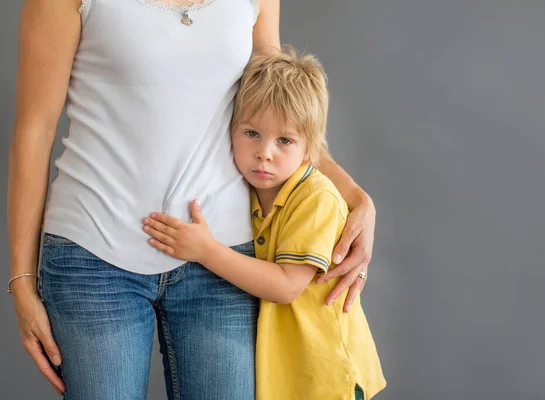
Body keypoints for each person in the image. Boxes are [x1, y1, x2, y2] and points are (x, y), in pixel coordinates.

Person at [7, 0, 377, 399]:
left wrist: (357, 199)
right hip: (94, 253)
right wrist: (22, 279)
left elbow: (280, 110)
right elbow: (35, 129)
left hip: (222, 256)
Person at [142, 48, 386, 400]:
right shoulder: (256, 191)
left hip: (326, 375)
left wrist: (206, 251)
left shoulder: (316, 198)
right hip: (289, 372)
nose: (264, 152)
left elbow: (286, 286)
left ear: (310, 149)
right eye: (252, 133)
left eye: (284, 140)